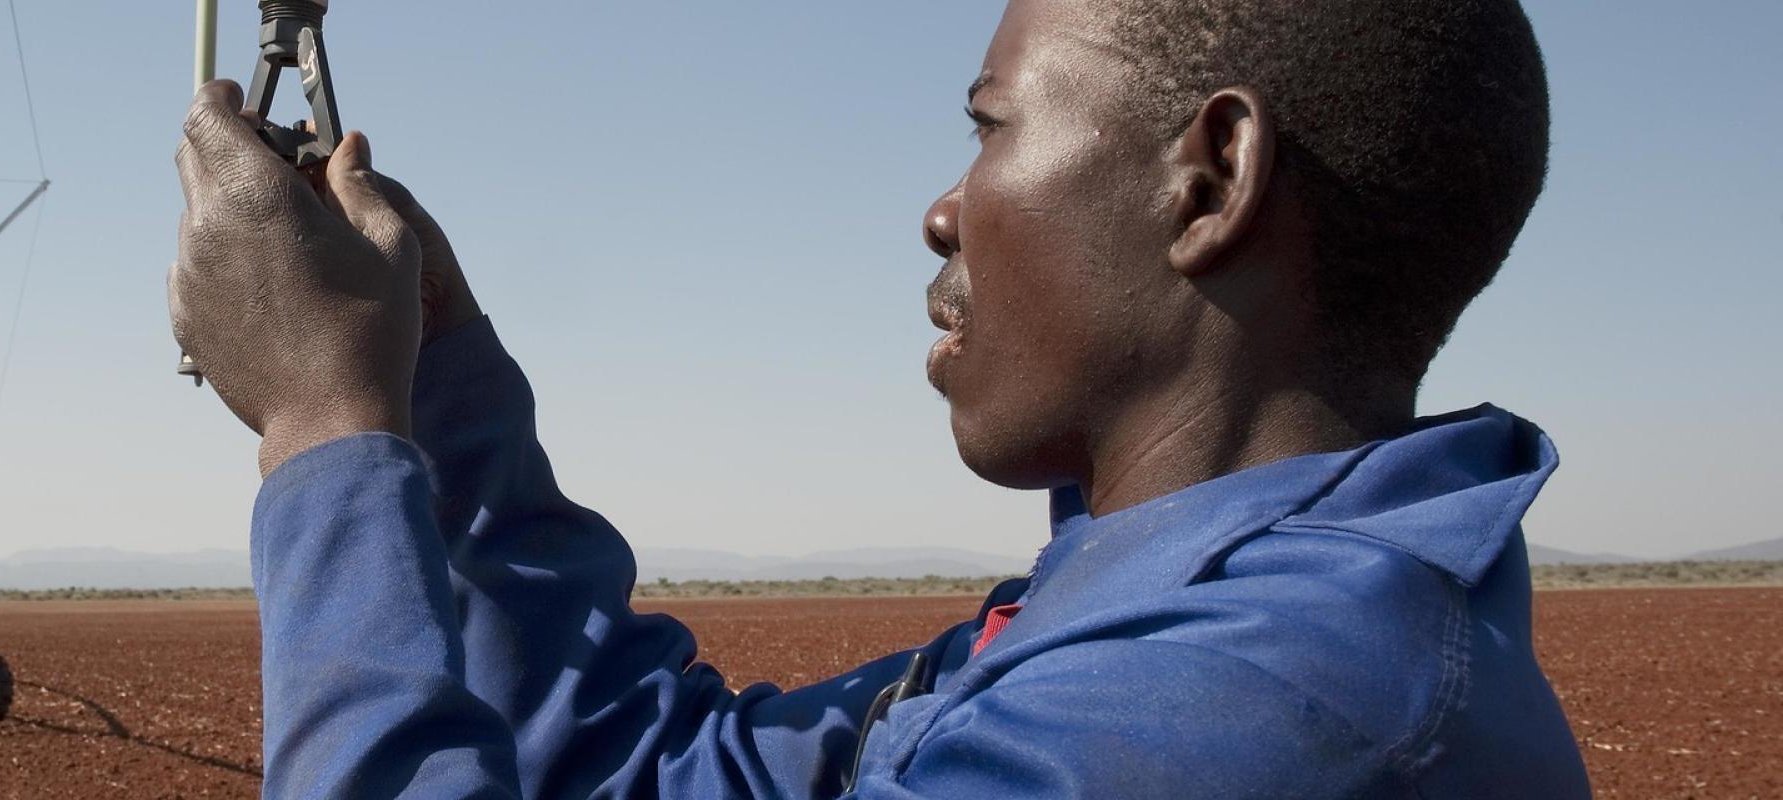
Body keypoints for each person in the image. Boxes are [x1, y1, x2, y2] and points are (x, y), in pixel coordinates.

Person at [166, 0, 1587, 795]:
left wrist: (330, 435)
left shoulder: (1258, 715)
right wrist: (433, 366)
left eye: (989, 128)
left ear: (1208, 181)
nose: (943, 209)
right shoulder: (1153, 627)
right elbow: (652, 772)